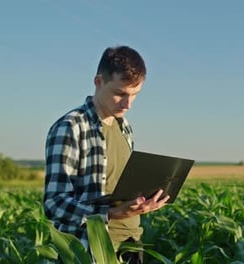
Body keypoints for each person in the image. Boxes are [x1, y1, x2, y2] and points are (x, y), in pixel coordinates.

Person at [43, 45, 169, 263]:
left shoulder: (125, 127)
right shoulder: (70, 127)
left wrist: (145, 201)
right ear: (98, 82)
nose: (128, 103)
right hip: (91, 250)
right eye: (120, 93)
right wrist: (110, 213)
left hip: (131, 246)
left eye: (135, 95)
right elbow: (54, 204)